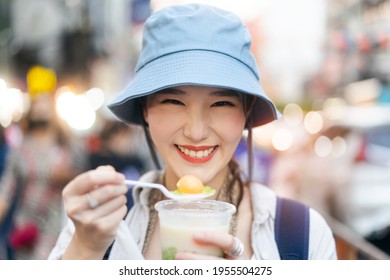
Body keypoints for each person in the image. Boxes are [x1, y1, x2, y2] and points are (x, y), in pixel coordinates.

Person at [49, 4, 337, 260]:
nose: (197, 132)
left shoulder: (302, 237)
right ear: (145, 109)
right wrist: (85, 251)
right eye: (173, 102)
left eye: (222, 103)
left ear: (246, 112)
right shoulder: (97, 224)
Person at [0, 66, 87, 259]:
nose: (41, 107)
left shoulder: (69, 145)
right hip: (25, 229)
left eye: (45, 101)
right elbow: (6, 190)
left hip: (59, 226)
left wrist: (67, 175)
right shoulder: (20, 149)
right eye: (36, 102)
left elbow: (84, 178)